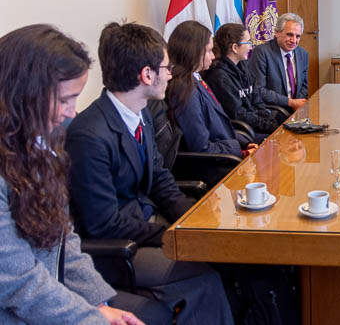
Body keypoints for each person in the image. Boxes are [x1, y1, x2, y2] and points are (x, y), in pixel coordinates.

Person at [66, 22, 234, 324]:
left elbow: (159, 178)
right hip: (118, 249)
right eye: (166, 68)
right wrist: (172, 235)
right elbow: (104, 225)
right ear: (147, 75)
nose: (171, 74)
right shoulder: (89, 134)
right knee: (207, 277)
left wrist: (193, 218)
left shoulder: (140, 111)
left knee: (225, 254)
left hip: (145, 225)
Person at [0, 24, 145, 324]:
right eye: (64, 99)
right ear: (22, 94)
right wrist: (93, 319)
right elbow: (18, 281)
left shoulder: (40, 146)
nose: (72, 112)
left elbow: (63, 238)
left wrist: (98, 302)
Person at [166, 20, 260, 157]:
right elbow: (201, 146)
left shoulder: (195, 77)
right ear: (194, 52)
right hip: (216, 163)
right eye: (209, 51)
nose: (214, 56)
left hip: (226, 149)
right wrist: (240, 152)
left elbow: (218, 122)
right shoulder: (184, 90)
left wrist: (243, 142)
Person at [204, 23, 283, 134]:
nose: (251, 47)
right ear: (235, 48)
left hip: (257, 125)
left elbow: (257, 101)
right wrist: (270, 127)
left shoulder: (244, 66)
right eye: (248, 42)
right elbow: (238, 114)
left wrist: (270, 121)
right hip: (244, 131)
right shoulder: (219, 77)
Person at [249, 12, 309, 111]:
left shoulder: (303, 54)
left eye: (298, 36)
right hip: (273, 110)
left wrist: (298, 104)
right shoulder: (262, 52)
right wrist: (290, 102)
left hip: (296, 109)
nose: (294, 41)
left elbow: (304, 87)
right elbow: (259, 90)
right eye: (289, 35)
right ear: (277, 33)